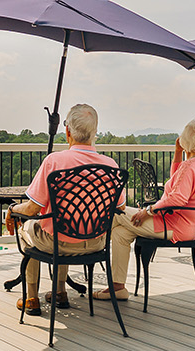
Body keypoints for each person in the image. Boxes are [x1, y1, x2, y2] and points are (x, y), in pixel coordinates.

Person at [7, 103, 123, 315]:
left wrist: (13, 209)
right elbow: (121, 206)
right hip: (97, 243)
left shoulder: (55, 161)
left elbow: (33, 209)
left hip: (58, 244)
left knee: (27, 229)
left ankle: (31, 298)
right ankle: (59, 291)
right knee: (65, 226)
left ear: (67, 131)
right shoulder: (111, 166)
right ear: (95, 132)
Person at [94, 118, 195, 301]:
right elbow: (177, 181)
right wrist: (177, 153)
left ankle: (83, 242)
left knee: (115, 213)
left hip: (172, 225)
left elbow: (177, 197)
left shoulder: (190, 166)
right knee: (120, 234)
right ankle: (117, 287)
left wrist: (148, 211)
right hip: (188, 227)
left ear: (187, 140)